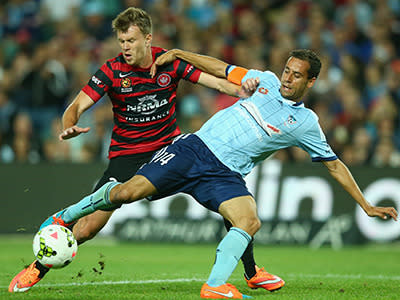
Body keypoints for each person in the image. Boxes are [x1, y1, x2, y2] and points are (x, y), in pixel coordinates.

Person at [13, 48, 398, 299]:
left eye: (296, 75)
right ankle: (69, 214)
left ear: (311, 82)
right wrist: (182, 54)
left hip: (225, 174)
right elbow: (224, 70)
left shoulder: (306, 123)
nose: (286, 78)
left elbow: (333, 163)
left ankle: (214, 286)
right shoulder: (262, 81)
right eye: (286, 70)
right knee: (126, 193)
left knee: (249, 220)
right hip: (193, 150)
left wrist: (365, 204)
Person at [8, 7, 281, 294]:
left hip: (173, 152)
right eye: (122, 41)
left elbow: (216, 82)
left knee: (227, 195)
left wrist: (243, 89)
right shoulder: (112, 71)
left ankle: (252, 272)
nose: (125, 47)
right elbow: (76, 106)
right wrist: (69, 125)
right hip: (126, 159)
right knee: (87, 229)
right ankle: (37, 268)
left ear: (148, 38)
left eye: (131, 41)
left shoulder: (169, 64)